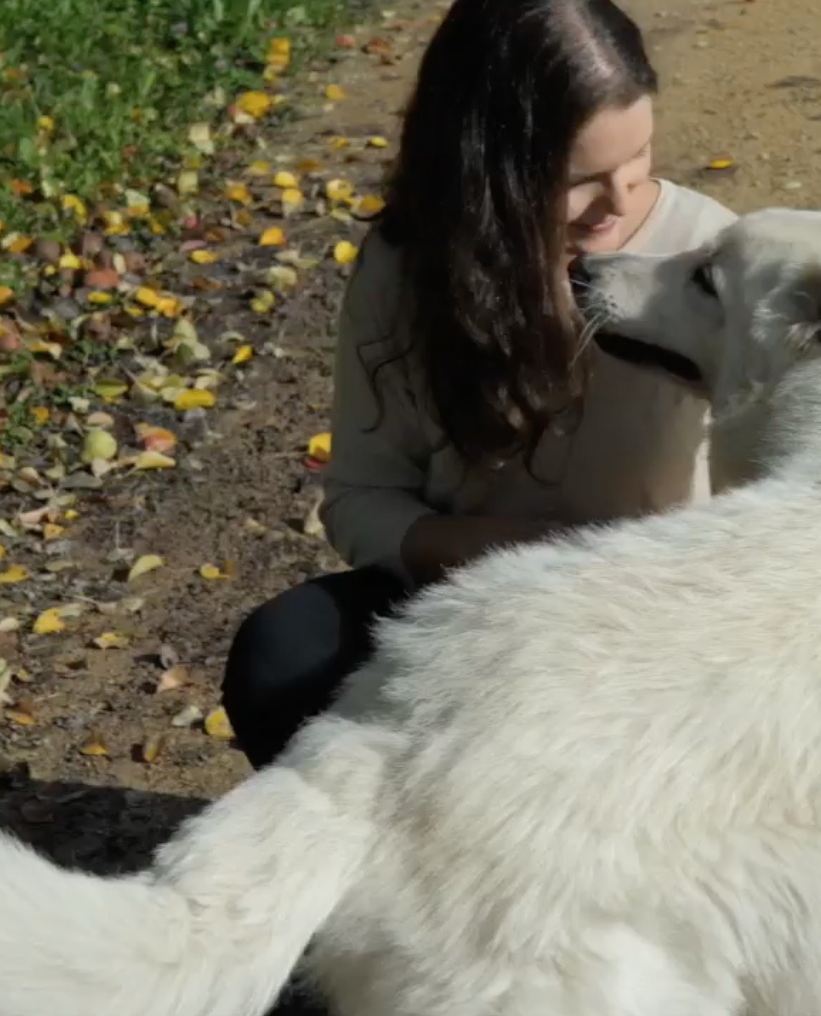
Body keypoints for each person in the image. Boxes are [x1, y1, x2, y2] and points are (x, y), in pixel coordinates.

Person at [220, 0, 737, 768]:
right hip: (471, 613)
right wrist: (496, 552)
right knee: (282, 659)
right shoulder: (408, 269)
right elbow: (361, 498)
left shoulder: (712, 262)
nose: (622, 201)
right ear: (488, 171)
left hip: (655, 631)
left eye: (639, 158)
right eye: (580, 180)